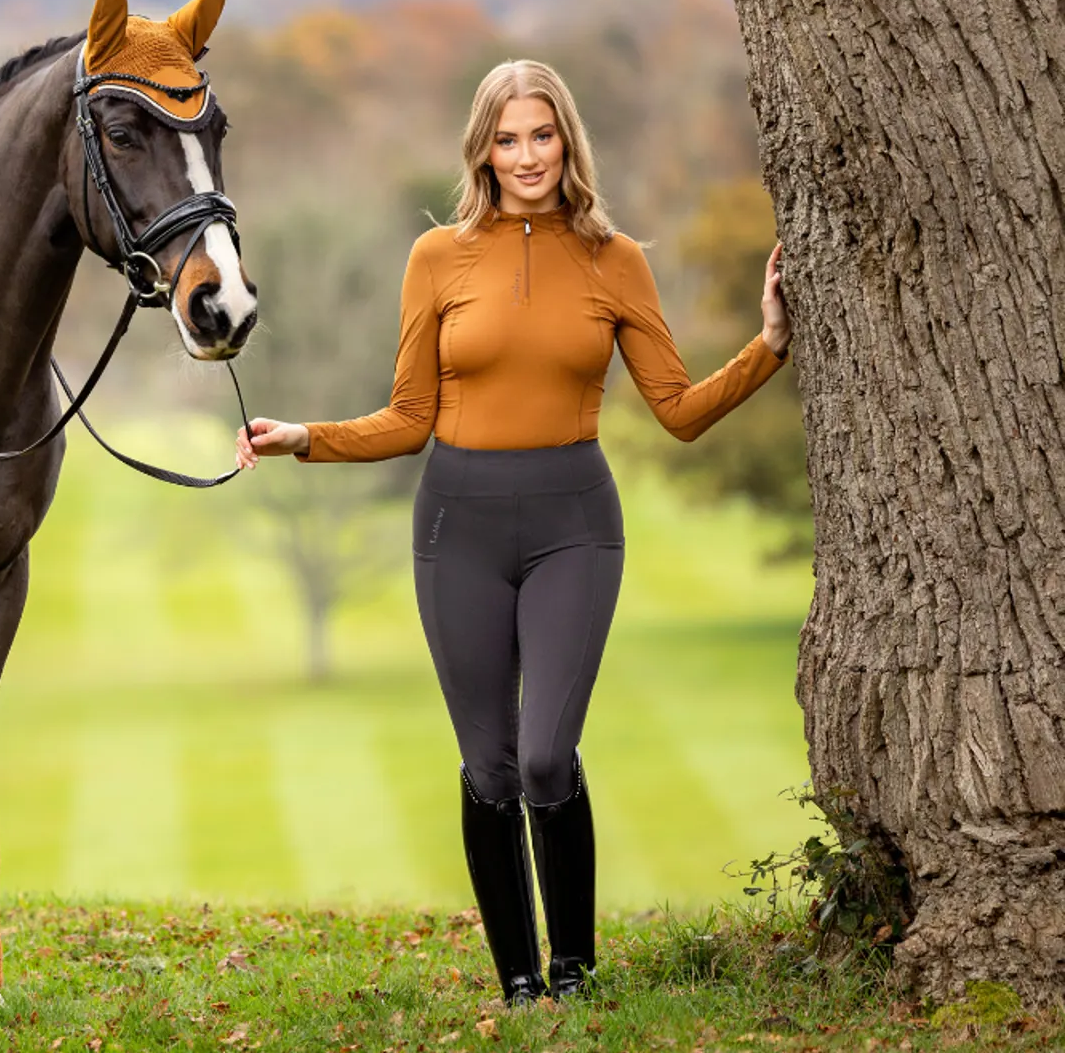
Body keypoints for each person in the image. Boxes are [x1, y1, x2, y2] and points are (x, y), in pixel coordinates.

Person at [237, 59, 791, 1004]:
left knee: (543, 757)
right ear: (482, 151)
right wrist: (305, 439)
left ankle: (573, 969)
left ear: (568, 140)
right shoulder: (437, 258)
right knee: (489, 767)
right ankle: (521, 982)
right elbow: (408, 417)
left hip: (575, 524)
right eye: (507, 139)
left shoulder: (617, 261)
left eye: (543, 135)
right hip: (457, 528)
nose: (528, 156)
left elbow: (679, 410)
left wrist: (769, 345)